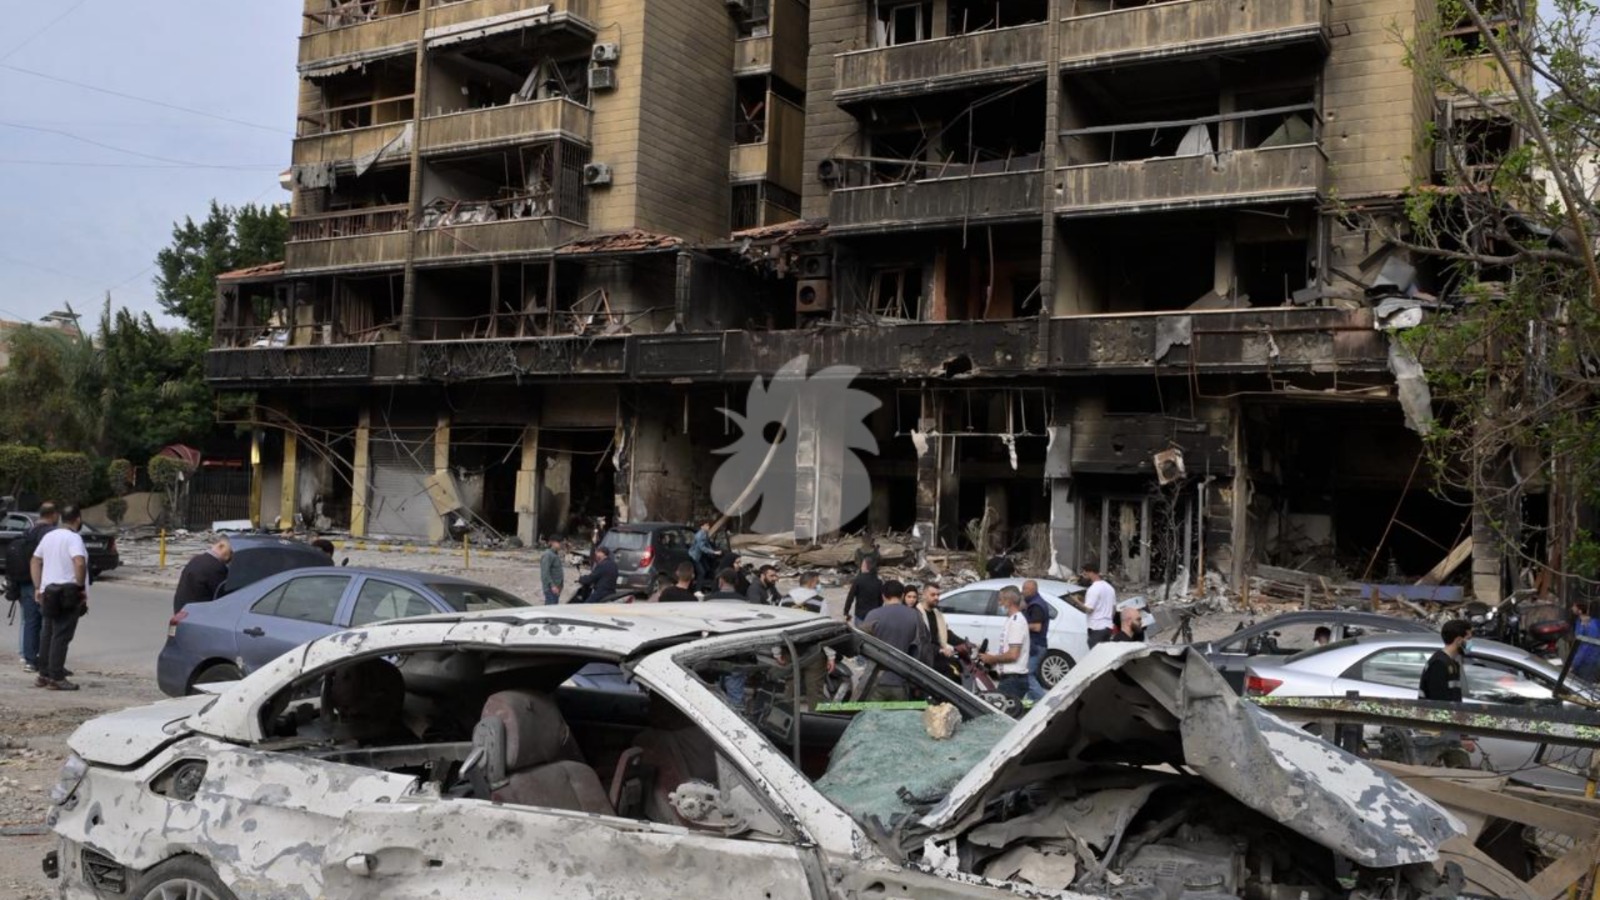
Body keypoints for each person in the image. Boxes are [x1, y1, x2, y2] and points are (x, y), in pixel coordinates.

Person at [31, 506, 89, 691]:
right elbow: (79, 562)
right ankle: (56, 677)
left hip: (48, 592)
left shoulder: (49, 536)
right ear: (77, 519)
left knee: (47, 634)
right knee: (61, 635)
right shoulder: (73, 538)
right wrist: (80, 587)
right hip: (67, 593)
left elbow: (35, 560)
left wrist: (38, 586)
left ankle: (44, 674)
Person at [8, 502, 58, 675]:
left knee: (29, 622)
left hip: (24, 581)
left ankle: (29, 660)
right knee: (46, 623)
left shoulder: (28, 531)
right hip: (42, 582)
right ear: (53, 514)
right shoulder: (50, 533)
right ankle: (45, 660)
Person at [1420, 619, 1477, 764]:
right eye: (1469, 638)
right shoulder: (1439, 664)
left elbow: (1454, 703)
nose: (1471, 643)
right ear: (1458, 640)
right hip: (1437, 734)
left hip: (1448, 732)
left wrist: (1462, 734)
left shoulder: (1452, 663)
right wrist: (1457, 739)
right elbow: (1439, 707)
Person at [860, 580, 926, 701]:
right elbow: (921, 649)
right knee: (899, 713)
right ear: (902, 596)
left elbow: (861, 644)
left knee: (873, 713)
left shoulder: (873, 615)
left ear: (883, 596)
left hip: (875, 680)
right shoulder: (915, 616)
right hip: (902, 679)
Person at [981, 587, 1031, 702]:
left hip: (1013, 680)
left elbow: (1013, 655)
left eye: (1000, 600)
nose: (999, 604)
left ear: (1009, 602)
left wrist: (992, 659)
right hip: (1009, 679)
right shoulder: (1011, 620)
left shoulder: (1017, 622)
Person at [917, 583, 967, 682]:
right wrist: (940, 650)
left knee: (960, 666)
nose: (936, 597)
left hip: (938, 654)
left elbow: (946, 634)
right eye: (933, 595)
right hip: (925, 657)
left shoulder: (937, 614)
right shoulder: (916, 614)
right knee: (951, 674)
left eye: (938, 595)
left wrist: (965, 643)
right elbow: (921, 640)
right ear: (924, 595)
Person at [172, 539, 233, 614]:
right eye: (230, 552)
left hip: (182, 608)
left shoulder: (197, 559)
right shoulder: (215, 567)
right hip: (197, 613)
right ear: (221, 548)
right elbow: (223, 595)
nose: (231, 557)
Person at [1021, 580, 1051, 701]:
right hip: (1036, 645)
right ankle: (1030, 701)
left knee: (1027, 675)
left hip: (1036, 645)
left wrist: (1020, 626)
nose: (1022, 591)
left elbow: (1037, 627)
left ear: (1032, 590)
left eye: (1025, 589)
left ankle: (1044, 702)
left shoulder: (1036, 605)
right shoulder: (1033, 602)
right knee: (1031, 675)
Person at [1081, 563, 1116, 647]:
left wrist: (1076, 601)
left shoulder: (1093, 589)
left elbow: (1089, 609)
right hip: (1108, 627)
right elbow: (1114, 609)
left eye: (1085, 574)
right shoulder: (1109, 587)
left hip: (1096, 627)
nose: (1083, 576)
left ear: (1090, 573)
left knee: (1095, 651)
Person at [843, 557, 883, 624]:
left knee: (859, 630)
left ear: (865, 566)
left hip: (860, 615)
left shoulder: (858, 580)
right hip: (874, 615)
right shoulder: (879, 582)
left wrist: (846, 612)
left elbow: (850, 597)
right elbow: (881, 600)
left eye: (862, 565)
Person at [1569, 601, 1599, 683]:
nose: (1572, 608)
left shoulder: (1592, 625)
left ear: (1580, 610)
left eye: (1574, 606)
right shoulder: (1579, 622)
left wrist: (1576, 663)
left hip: (1588, 661)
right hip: (1580, 659)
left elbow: (1588, 646)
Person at [689, 520, 717, 585]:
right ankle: (697, 588)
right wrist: (713, 552)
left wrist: (712, 550)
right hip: (695, 556)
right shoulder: (699, 536)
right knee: (701, 572)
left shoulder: (705, 534)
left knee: (707, 568)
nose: (708, 527)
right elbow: (702, 548)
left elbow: (707, 544)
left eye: (708, 525)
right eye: (706, 525)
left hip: (700, 556)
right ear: (702, 527)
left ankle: (702, 583)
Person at [539, 535, 565, 606]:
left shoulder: (555, 554)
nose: (561, 544)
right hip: (551, 588)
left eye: (561, 542)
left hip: (556, 587)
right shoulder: (548, 555)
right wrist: (552, 586)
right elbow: (545, 573)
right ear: (552, 542)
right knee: (550, 609)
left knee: (553, 608)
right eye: (559, 542)